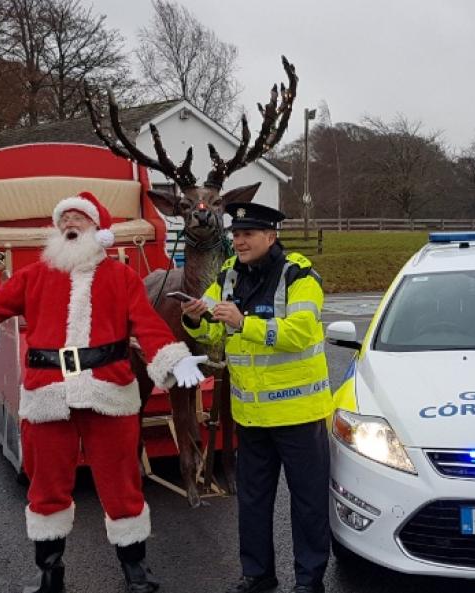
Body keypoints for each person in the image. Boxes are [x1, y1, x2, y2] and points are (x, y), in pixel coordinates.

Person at [0, 191, 208, 593]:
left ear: (99, 230)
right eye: (65, 220)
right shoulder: (32, 276)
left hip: (108, 393)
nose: (70, 226)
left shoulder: (121, 278)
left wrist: (171, 357)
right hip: (48, 395)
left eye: (80, 219)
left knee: (122, 483)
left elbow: (147, 323)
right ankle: (50, 575)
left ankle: (136, 572)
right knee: (46, 488)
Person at [180, 202, 332, 593]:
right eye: (236, 234)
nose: (239, 241)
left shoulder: (299, 275)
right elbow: (213, 335)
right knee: (251, 502)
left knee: (308, 504)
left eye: (248, 234)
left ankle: (309, 581)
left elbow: (299, 332)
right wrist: (195, 318)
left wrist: (244, 323)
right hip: (250, 416)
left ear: (271, 236)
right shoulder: (229, 275)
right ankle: (258, 575)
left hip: (299, 413)